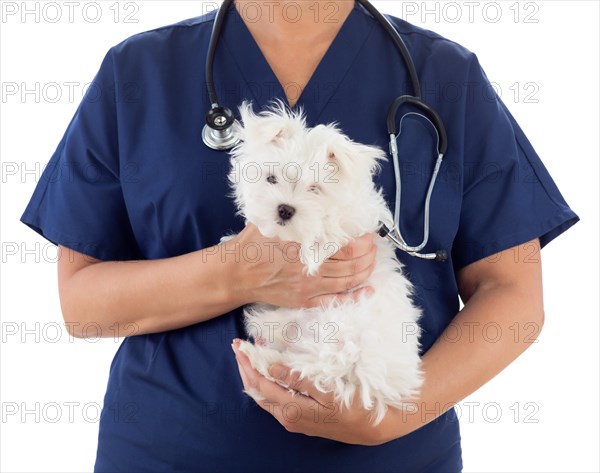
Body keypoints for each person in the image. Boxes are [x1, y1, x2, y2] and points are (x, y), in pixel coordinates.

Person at [20, 0, 579, 471]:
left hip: (393, 457)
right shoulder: (138, 73)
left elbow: (513, 295)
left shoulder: (446, 78)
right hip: (170, 451)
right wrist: (237, 271)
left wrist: (395, 413)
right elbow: (81, 304)